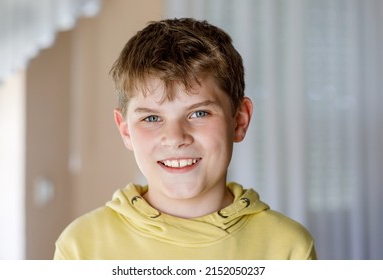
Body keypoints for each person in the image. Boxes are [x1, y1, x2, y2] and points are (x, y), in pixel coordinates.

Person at [53, 18, 317, 260]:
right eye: (152, 118)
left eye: (199, 113)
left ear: (239, 120)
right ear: (125, 130)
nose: (175, 138)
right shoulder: (80, 247)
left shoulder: (289, 248)